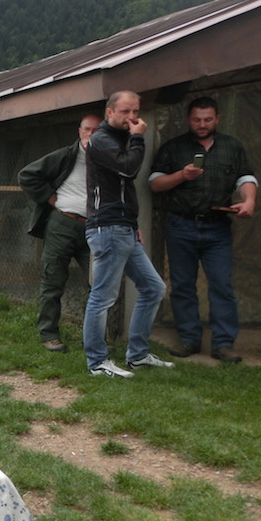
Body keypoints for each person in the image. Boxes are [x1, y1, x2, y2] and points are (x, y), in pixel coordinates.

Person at [149, 96, 256, 362]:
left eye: (208, 119)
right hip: (181, 224)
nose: (202, 124)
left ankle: (223, 344)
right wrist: (181, 175)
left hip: (218, 226)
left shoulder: (232, 146)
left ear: (217, 119)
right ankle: (189, 339)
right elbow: (155, 183)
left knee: (221, 285)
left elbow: (245, 178)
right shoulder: (174, 147)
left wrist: (249, 201)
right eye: (197, 120)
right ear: (188, 119)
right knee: (183, 285)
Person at [81, 90, 170, 377]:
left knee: (153, 288)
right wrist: (139, 138)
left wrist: (131, 224)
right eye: (125, 112)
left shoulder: (119, 139)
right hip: (108, 227)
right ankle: (97, 362)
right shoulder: (101, 140)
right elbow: (129, 170)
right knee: (102, 297)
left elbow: (122, 188)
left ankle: (138, 355)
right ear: (110, 112)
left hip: (123, 227)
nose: (132, 118)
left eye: (135, 112)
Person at [18, 115, 102, 352]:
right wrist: (50, 198)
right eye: (87, 129)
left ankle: (93, 338)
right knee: (53, 280)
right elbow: (26, 175)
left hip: (94, 228)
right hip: (62, 224)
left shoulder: (108, 160)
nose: (91, 135)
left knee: (99, 282)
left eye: (97, 131)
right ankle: (49, 334)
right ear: (79, 131)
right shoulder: (65, 155)